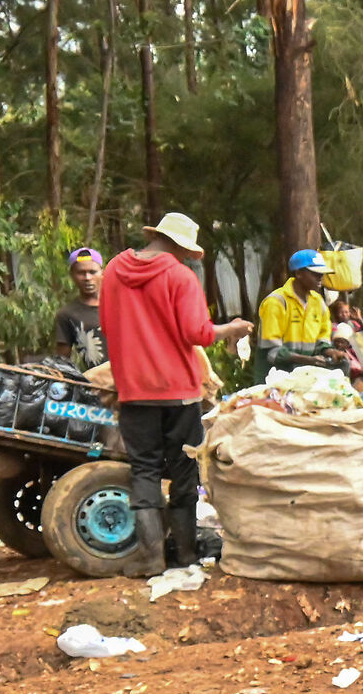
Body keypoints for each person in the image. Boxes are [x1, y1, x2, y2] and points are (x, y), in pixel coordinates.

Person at [99, 213, 253, 576]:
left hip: (134, 391)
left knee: (144, 471)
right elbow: (197, 333)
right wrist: (231, 328)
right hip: (179, 392)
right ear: (181, 246)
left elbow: (107, 325)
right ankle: (184, 554)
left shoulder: (114, 271)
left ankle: (151, 557)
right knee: (184, 473)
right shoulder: (179, 276)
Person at [256, 250, 349, 378]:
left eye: (321, 274)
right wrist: (309, 360)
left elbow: (322, 340)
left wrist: (330, 351)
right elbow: (272, 352)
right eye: (315, 274)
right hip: (275, 375)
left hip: (303, 373)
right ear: (299, 273)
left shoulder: (318, 302)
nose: (320, 277)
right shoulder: (276, 302)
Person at [53, 248, 106, 368]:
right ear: (72, 275)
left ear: (102, 272)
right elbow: (62, 361)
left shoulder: (120, 304)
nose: (87, 278)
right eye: (81, 273)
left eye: (93, 272)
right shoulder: (67, 314)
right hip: (97, 383)